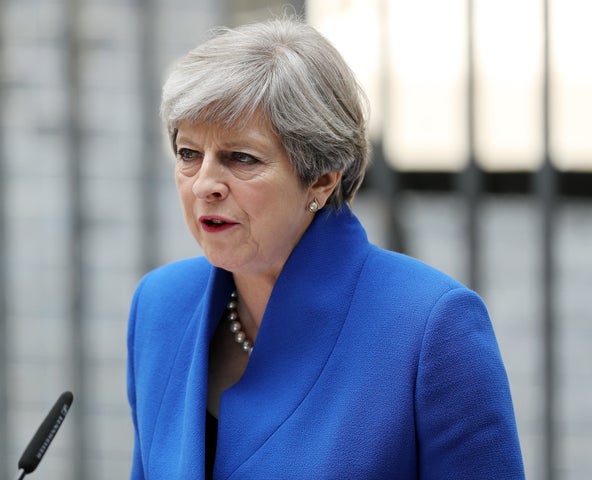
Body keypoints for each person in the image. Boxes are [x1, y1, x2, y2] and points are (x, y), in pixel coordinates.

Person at [126, 17, 525, 479]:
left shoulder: (431, 328)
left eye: (241, 158)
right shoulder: (160, 306)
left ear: (321, 177)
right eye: (188, 153)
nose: (205, 185)